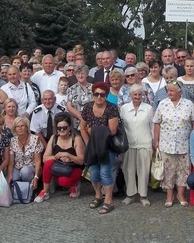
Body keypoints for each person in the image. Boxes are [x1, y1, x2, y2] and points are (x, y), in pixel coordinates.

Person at [153, 80, 194, 207]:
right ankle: (169, 195)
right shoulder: (163, 104)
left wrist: (193, 138)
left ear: (180, 91)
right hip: (166, 144)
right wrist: (155, 141)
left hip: (183, 144)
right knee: (168, 171)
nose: (169, 93)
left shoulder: (188, 104)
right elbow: (157, 123)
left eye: (172, 90)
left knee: (183, 171)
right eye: (168, 90)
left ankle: (181, 194)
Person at [81, 82, 119, 215]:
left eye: (102, 95)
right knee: (94, 173)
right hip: (92, 146)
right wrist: (88, 142)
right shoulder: (87, 108)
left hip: (107, 146)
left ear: (106, 95)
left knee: (105, 173)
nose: (99, 97)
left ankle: (109, 201)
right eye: (96, 94)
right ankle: (98, 196)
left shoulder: (111, 108)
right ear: (92, 95)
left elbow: (112, 130)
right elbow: (82, 127)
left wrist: (93, 130)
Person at [36, 113, 85, 203]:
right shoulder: (54, 138)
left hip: (74, 168)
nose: (61, 130)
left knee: (63, 182)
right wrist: (58, 157)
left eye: (64, 127)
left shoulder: (76, 139)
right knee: (48, 164)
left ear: (69, 127)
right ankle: (45, 191)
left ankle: (75, 184)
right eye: (59, 128)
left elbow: (81, 161)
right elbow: (45, 158)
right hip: (59, 166)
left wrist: (68, 155)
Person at [119, 84, 153, 206]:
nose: (137, 97)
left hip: (145, 143)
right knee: (128, 170)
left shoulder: (148, 108)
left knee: (143, 171)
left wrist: (154, 143)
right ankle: (130, 195)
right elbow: (121, 127)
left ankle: (143, 196)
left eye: (139, 94)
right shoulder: (124, 108)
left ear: (142, 95)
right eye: (135, 94)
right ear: (130, 95)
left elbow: (153, 127)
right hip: (129, 144)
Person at [8, 116, 43, 190]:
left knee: (25, 172)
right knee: (12, 179)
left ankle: (32, 188)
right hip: (17, 166)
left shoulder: (35, 139)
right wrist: (9, 175)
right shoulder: (12, 141)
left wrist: (36, 177)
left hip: (31, 167)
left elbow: (38, 160)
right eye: (17, 126)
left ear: (27, 128)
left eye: (22, 126)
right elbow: (11, 162)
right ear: (15, 129)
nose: (20, 128)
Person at [66, 64, 93, 131]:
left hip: (91, 123)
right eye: (78, 74)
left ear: (87, 74)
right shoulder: (71, 89)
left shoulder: (93, 88)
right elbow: (69, 107)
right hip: (76, 123)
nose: (80, 76)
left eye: (82, 73)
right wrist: (81, 117)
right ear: (75, 75)